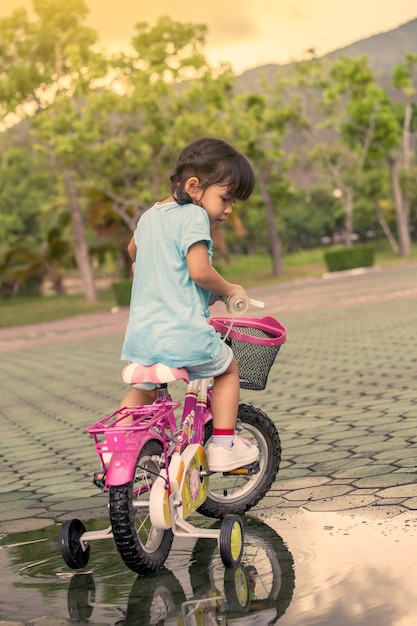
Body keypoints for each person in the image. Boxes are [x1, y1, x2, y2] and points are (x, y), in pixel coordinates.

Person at [120, 137, 259, 472]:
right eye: (225, 198)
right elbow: (199, 271)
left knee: (145, 390)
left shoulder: (149, 217)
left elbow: (132, 251)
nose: (228, 209)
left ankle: (119, 452)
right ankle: (224, 445)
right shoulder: (194, 217)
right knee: (227, 369)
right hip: (183, 335)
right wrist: (228, 289)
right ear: (194, 186)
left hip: (142, 340)